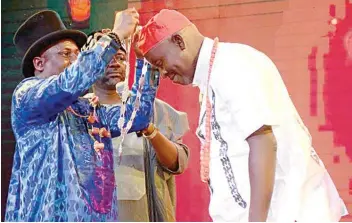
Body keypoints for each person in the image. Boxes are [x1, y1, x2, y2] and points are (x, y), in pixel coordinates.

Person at [135, 9, 348, 222]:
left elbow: (262, 140)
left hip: (288, 213)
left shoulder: (232, 65)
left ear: (179, 41)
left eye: (161, 63)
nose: (163, 74)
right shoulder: (214, 75)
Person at [5, 9, 159, 221]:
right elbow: (69, 83)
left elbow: (136, 117)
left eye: (78, 54)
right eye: (67, 54)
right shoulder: (27, 95)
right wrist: (114, 36)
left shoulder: (85, 108)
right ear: (39, 64)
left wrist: (145, 61)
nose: (76, 60)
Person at [86, 29, 190, 221]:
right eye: (107, 56)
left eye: (120, 57)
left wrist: (150, 131)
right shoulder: (78, 112)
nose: (115, 62)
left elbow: (178, 163)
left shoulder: (155, 109)